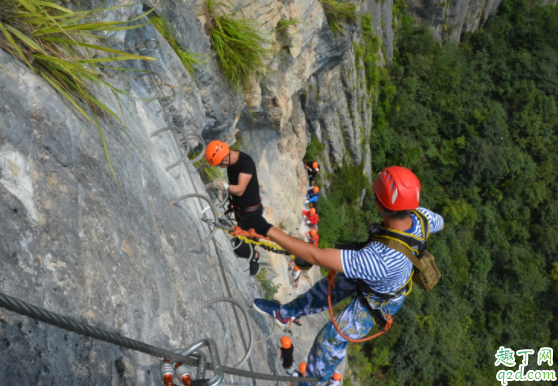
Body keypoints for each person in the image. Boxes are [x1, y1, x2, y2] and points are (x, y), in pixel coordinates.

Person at [251, 166, 445, 384]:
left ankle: (312, 382)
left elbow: (316, 256)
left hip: (380, 300)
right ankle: (285, 313)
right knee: (325, 290)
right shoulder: (422, 218)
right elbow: (441, 222)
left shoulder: (379, 259)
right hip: (379, 279)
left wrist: (265, 228)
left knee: (330, 341)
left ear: (380, 204)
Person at [205, 140, 273, 276]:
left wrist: (226, 186)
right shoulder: (231, 162)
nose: (221, 167)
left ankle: (255, 256)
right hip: (240, 210)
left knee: (241, 250)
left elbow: (241, 189)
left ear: (225, 158)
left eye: (220, 164)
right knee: (238, 236)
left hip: (252, 215)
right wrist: (228, 189)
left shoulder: (246, 163)